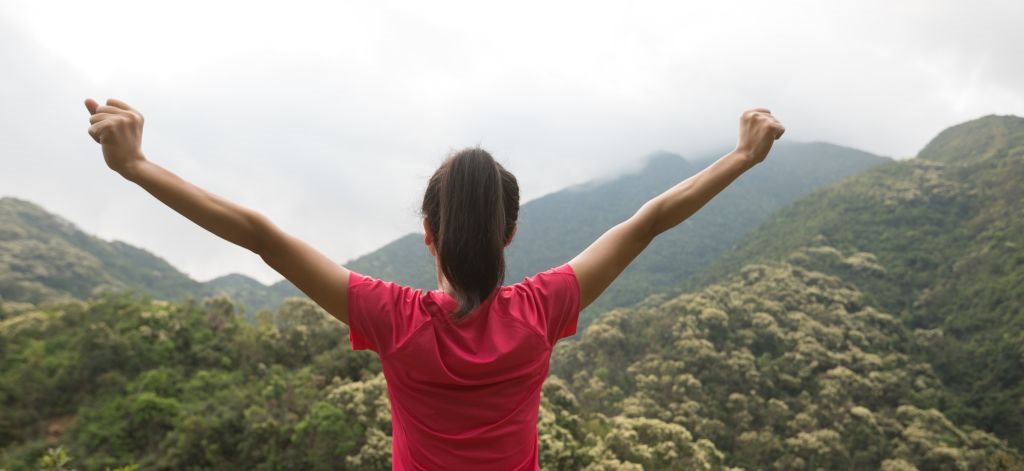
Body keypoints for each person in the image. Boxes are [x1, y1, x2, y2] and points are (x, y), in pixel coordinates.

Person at [83, 98, 784, 470]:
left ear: (427, 232)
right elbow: (649, 221)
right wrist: (742, 156)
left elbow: (261, 236)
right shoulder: (542, 310)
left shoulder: (391, 318)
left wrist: (137, 167)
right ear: (509, 234)